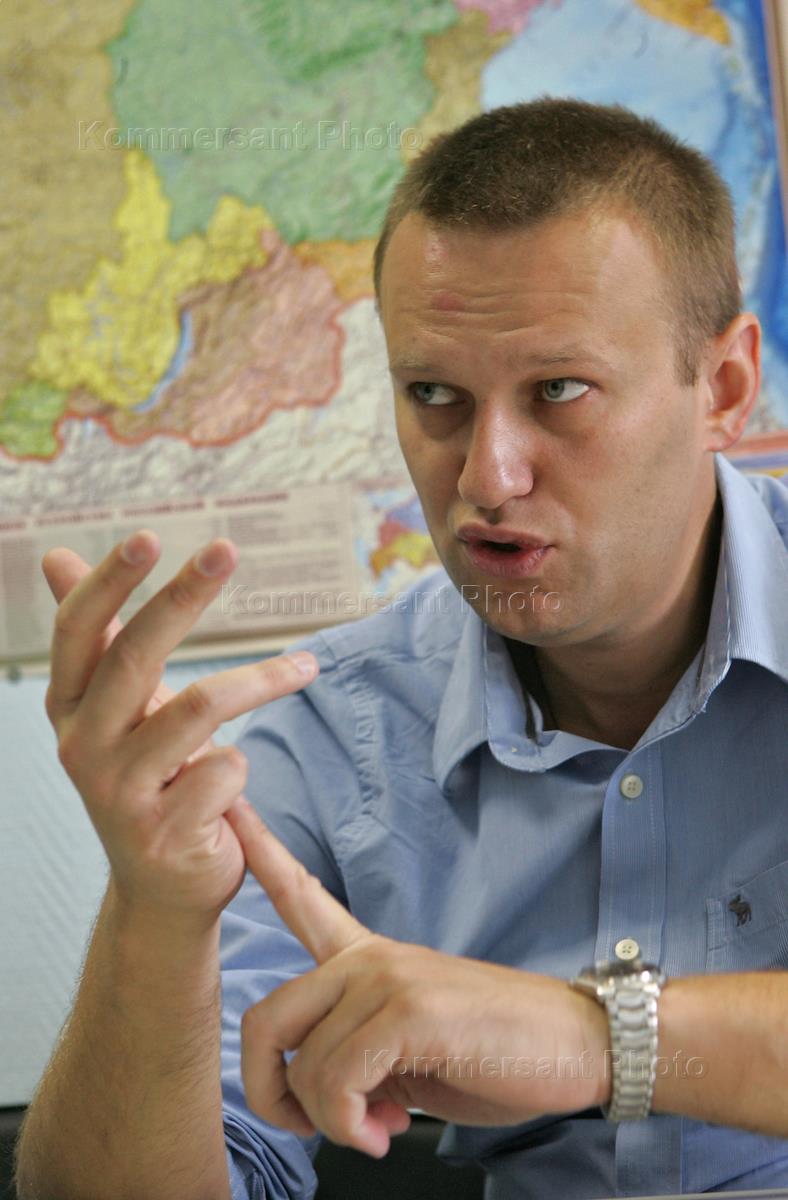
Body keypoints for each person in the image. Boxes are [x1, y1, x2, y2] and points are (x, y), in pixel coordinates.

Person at [14, 98, 788, 1200]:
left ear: (723, 389)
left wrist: (589, 1037)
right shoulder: (329, 738)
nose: (485, 477)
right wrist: (153, 914)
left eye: (558, 391)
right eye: (434, 395)